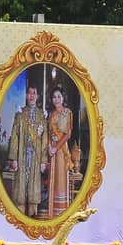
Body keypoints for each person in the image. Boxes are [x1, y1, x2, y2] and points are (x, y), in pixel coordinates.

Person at [6, 82, 49, 219]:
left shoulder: (42, 116)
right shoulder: (20, 114)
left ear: (37, 96)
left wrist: (43, 161)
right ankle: (20, 217)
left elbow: (45, 140)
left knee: (33, 187)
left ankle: (32, 217)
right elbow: (14, 137)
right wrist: (13, 158)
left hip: (36, 157)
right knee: (20, 188)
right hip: (21, 156)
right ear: (26, 95)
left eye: (34, 93)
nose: (31, 96)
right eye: (29, 93)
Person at [45, 85, 76, 219]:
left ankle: (62, 212)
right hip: (52, 151)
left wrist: (56, 148)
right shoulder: (51, 115)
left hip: (62, 150)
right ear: (51, 100)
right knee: (53, 179)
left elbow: (68, 135)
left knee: (61, 179)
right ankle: (53, 213)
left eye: (59, 96)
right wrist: (49, 148)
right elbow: (47, 133)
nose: (56, 99)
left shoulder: (68, 113)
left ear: (63, 98)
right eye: (54, 97)